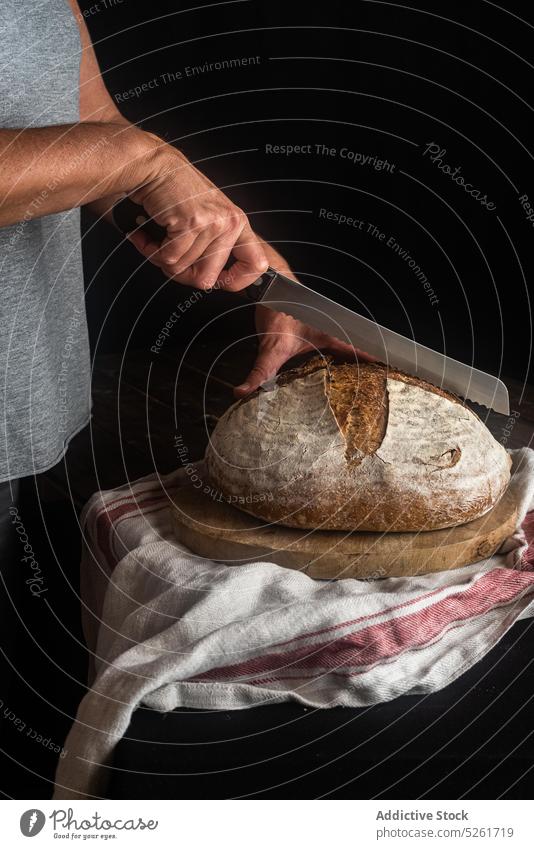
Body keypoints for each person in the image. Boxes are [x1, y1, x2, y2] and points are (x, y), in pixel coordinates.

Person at [0, 0, 361, 701]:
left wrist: (253, 265)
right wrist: (140, 161)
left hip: (22, 403)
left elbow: (91, 125)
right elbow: (119, 155)